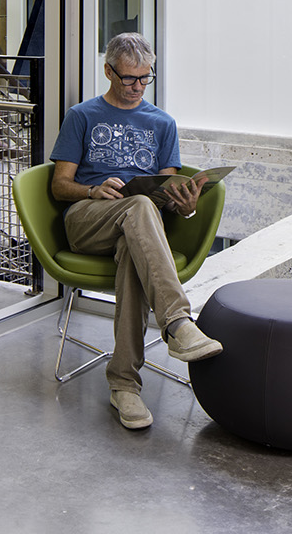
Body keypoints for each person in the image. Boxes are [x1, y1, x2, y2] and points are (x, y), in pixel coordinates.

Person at [48, 32, 223, 430]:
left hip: (137, 226)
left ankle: (124, 385)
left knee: (139, 227)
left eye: (146, 78)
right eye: (129, 78)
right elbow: (60, 186)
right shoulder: (83, 115)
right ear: (108, 71)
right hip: (87, 218)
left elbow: (164, 193)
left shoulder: (162, 123)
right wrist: (93, 188)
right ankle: (178, 323)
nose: (138, 87)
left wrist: (187, 205)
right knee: (140, 209)